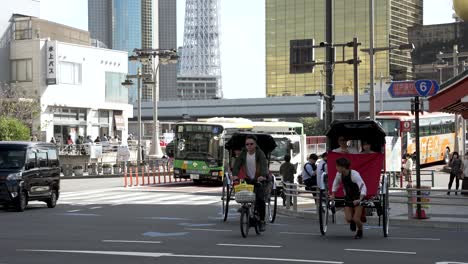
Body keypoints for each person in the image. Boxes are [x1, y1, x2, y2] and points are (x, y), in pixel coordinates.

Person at [232, 135, 269, 232]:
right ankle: (244, 207)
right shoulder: (243, 153)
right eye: (247, 144)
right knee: (244, 194)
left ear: (255, 144)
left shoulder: (260, 154)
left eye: (251, 144)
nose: (249, 146)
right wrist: (235, 175)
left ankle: (261, 221)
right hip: (247, 178)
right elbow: (237, 165)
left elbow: (264, 165)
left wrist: (263, 175)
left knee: (260, 199)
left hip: (259, 179)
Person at [331, 157, 367, 239]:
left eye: (337, 166)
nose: (336, 168)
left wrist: (360, 199)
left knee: (356, 218)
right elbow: (335, 184)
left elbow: (363, 186)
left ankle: (360, 231)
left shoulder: (354, 174)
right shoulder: (339, 174)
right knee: (348, 219)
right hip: (348, 197)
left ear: (343, 167)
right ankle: (352, 222)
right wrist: (333, 194)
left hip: (357, 197)